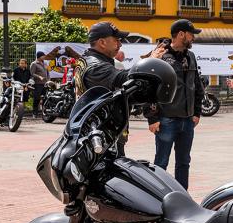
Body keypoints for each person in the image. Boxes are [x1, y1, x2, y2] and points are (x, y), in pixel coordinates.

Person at [76, 22, 165, 155]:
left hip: (102, 133)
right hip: (102, 137)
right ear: (102, 42)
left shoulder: (91, 60)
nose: (120, 44)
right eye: (116, 40)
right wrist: (151, 61)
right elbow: (124, 78)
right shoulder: (96, 67)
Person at [146, 19, 203, 190]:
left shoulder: (190, 56)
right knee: (161, 162)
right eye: (191, 34)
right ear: (181, 34)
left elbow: (197, 86)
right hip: (166, 120)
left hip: (187, 121)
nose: (193, 38)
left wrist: (197, 112)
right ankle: (158, 196)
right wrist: (152, 118)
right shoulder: (160, 55)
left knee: (184, 162)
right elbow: (148, 87)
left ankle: (182, 196)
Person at [30, 51, 48, 116]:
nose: (44, 57)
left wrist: (48, 80)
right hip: (37, 84)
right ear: (39, 56)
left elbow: (47, 72)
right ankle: (34, 113)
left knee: (45, 98)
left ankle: (44, 113)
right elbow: (32, 73)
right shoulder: (34, 64)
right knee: (37, 98)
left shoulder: (44, 63)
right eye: (43, 56)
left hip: (45, 84)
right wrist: (39, 76)